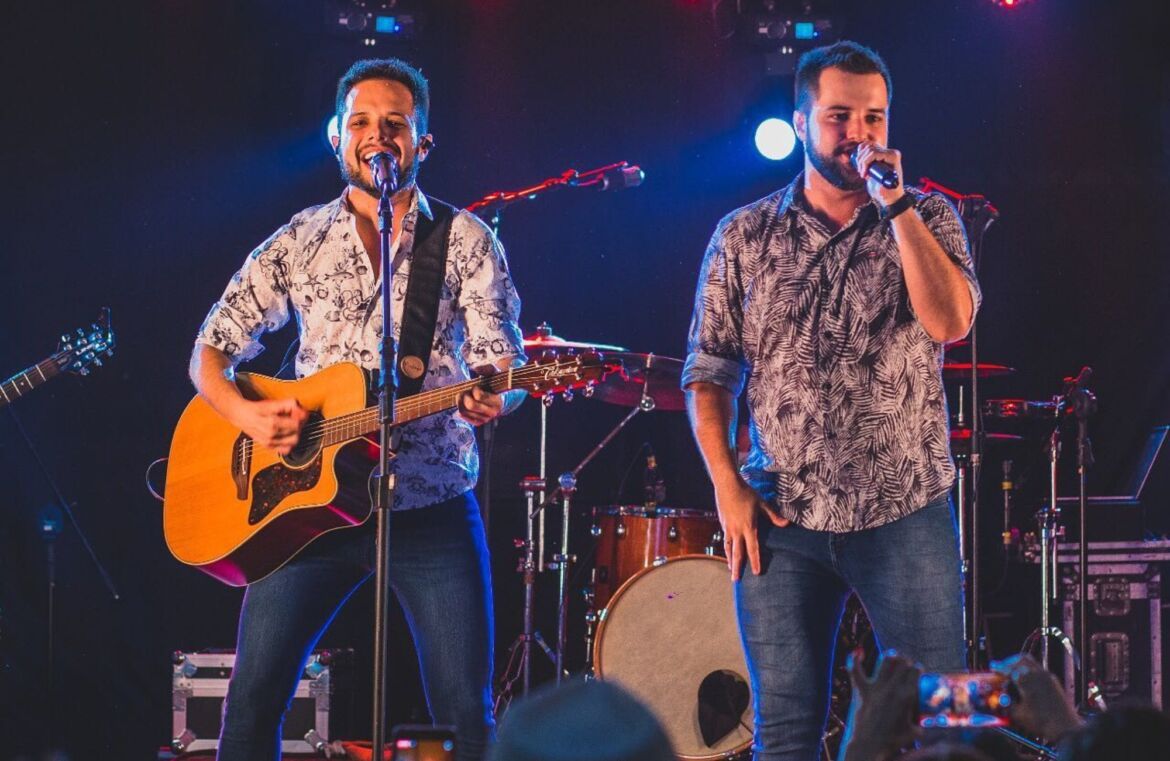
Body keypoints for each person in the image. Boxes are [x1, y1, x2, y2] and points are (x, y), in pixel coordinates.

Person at [189, 57, 526, 761]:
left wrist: (496, 394)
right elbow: (210, 351)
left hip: (429, 503)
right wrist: (248, 416)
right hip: (305, 510)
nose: (378, 135)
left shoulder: (466, 240)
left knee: (467, 711)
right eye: (362, 122)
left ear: (422, 142)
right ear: (338, 137)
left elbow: (503, 364)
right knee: (252, 701)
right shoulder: (299, 239)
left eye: (395, 124)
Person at [682, 40, 981, 760]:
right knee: (785, 732)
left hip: (905, 507)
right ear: (801, 121)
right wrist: (726, 484)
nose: (859, 134)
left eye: (873, 117)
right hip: (782, 513)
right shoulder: (743, 234)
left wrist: (896, 206)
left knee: (941, 722)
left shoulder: (929, 216)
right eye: (839, 116)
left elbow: (950, 322)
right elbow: (709, 371)